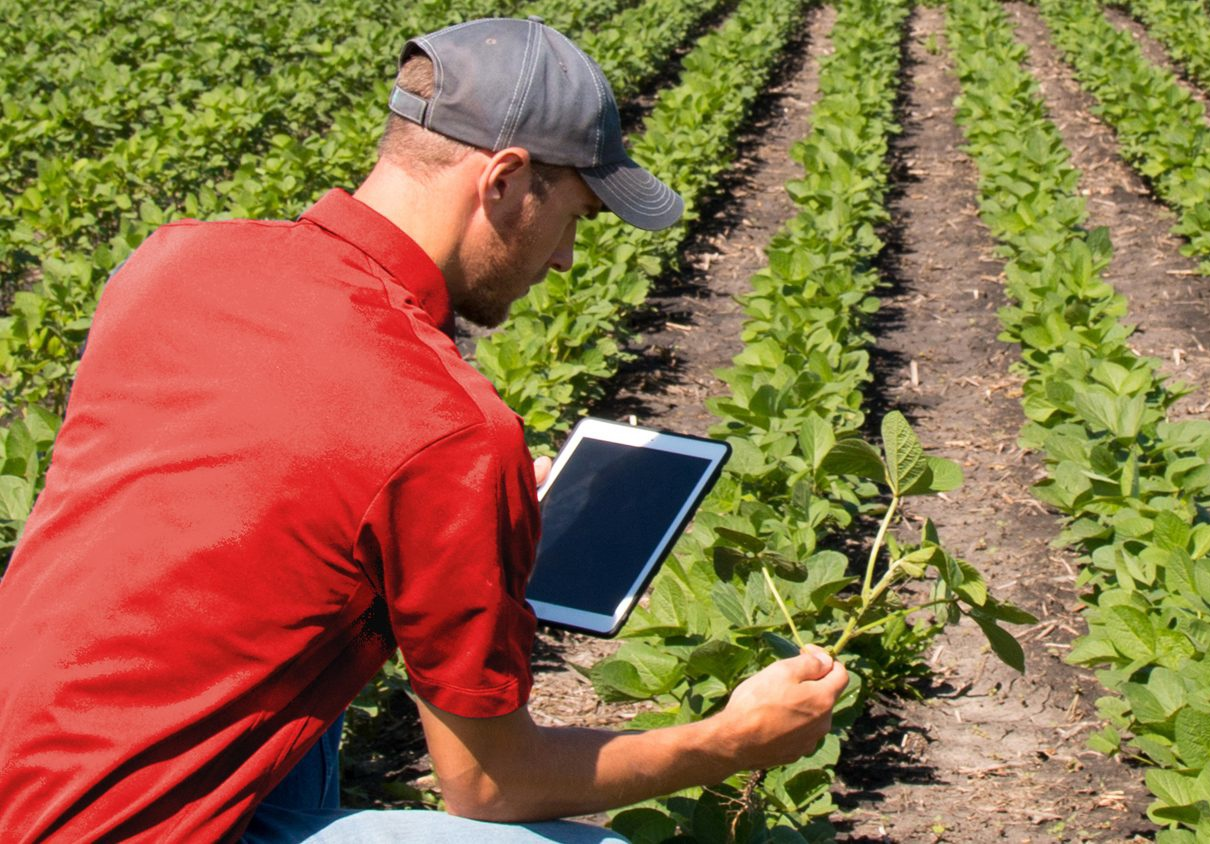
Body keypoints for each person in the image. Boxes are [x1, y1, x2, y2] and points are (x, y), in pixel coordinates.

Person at [0, 17, 848, 843]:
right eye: (578, 218)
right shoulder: (446, 429)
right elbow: (489, 783)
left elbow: (267, 496)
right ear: (505, 179)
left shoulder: (174, 259)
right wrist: (733, 741)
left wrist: (457, 521)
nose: (565, 260)